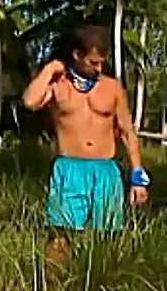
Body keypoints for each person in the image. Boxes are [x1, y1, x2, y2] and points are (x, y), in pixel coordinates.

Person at [21, 25, 149, 265]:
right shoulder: (58, 85)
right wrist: (49, 69)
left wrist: (137, 176)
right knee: (60, 236)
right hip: (69, 168)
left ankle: (102, 284)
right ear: (77, 55)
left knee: (108, 236)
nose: (98, 68)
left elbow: (128, 132)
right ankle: (53, 287)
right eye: (93, 62)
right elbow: (30, 101)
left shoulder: (112, 87)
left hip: (106, 170)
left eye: (101, 63)